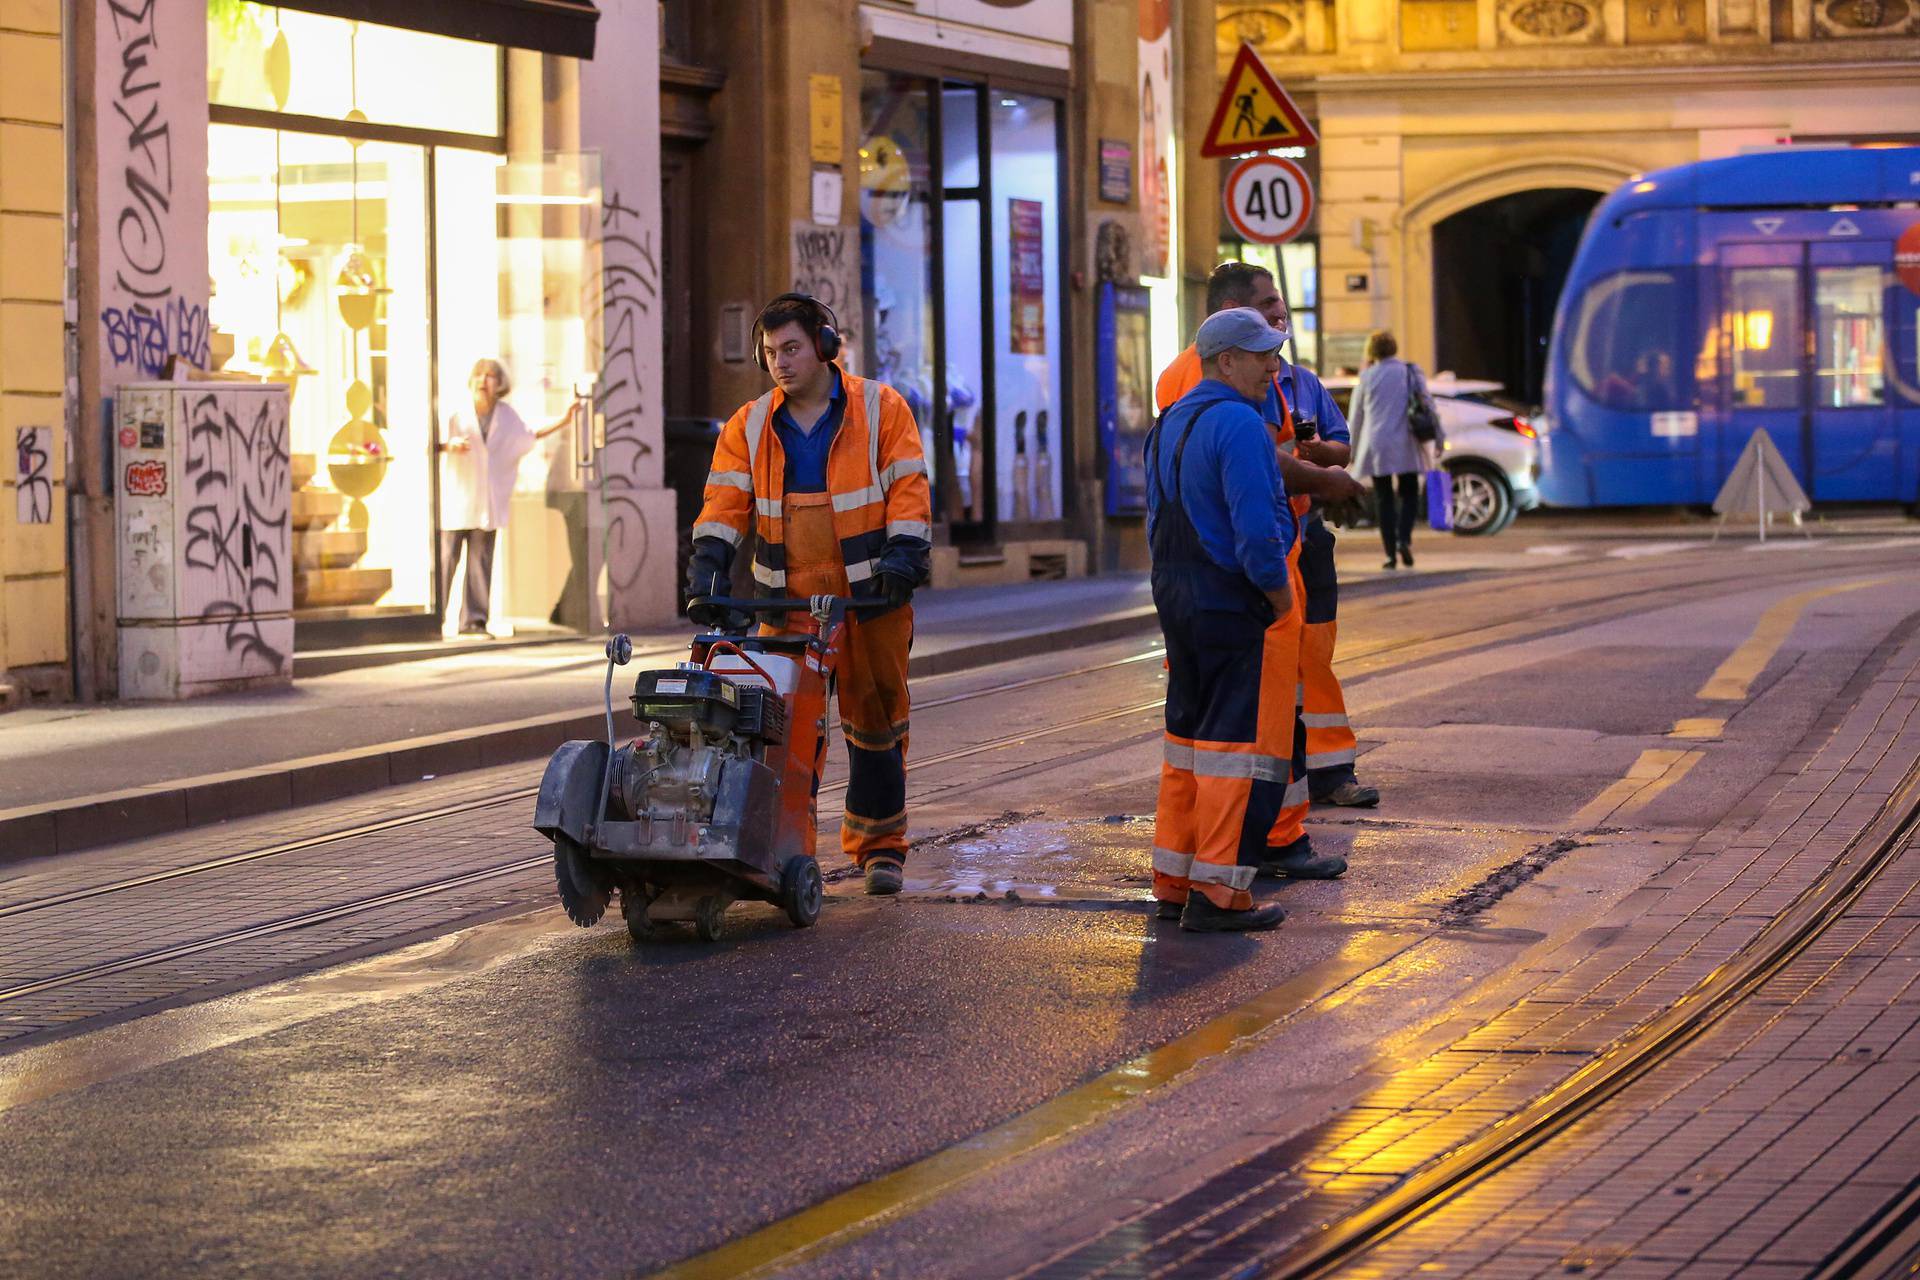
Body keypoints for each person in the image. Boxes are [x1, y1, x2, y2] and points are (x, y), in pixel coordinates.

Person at [686, 293, 933, 896]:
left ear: (825, 346)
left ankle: (880, 848)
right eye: (770, 352)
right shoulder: (748, 425)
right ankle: (779, 846)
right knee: (778, 727)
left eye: (792, 348)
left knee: (876, 724)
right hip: (786, 602)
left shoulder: (880, 410)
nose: (780, 363)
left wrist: (904, 558)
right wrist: (708, 566)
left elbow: (907, 490)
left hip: (869, 598)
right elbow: (723, 505)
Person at [1157, 262, 1380, 813]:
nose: (1279, 319)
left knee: (1300, 669)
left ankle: (1297, 798)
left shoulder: (1274, 378)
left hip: (1258, 552)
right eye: (1267, 307)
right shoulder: (1215, 393)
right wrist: (1277, 584)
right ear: (1229, 332)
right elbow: (1254, 488)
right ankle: (1267, 830)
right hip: (1245, 562)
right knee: (1255, 701)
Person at [1149, 308, 1313, 933]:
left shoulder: (1170, 424)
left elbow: (1155, 523)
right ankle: (1219, 893)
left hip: (1177, 596)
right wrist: (1277, 597)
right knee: (1227, 749)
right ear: (1226, 361)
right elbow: (1256, 532)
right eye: (1260, 355)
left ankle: (1174, 879)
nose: (1273, 367)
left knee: (1186, 744)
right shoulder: (1241, 426)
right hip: (1228, 598)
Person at [437, 357, 577, 636]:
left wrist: (564, 421)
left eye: (490, 376)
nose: (484, 381)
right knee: (446, 559)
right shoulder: (456, 414)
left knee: (481, 563)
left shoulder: (506, 416)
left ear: (500, 384)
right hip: (457, 498)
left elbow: (529, 435)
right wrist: (447, 446)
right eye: (479, 375)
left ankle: (473, 622)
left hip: (488, 501)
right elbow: (432, 442)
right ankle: (434, 619)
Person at [1348, 330, 1436, 572]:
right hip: (1406, 440)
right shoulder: (1410, 371)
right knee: (1409, 493)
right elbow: (1427, 404)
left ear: (1371, 351)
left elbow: (1356, 416)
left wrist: (1351, 449)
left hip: (1377, 444)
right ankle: (1404, 539)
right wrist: (1437, 437)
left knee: (1383, 497)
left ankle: (1390, 554)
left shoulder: (1367, 377)